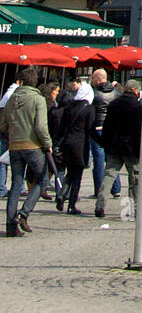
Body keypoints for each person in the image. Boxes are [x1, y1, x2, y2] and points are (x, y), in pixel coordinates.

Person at [1, 66, 52, 236]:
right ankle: (24, 213)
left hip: (15, 146)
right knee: (42, 180)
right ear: (35, 81)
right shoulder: (38, 99)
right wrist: (47, 143)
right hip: (33, 146)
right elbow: (40, 126)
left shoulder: (11, 99)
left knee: (16, 184)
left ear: (21, 81)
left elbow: (3, 125)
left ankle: (10, 224)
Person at [96, 80, 142, 217]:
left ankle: (100, 205)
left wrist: (105, 144)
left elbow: (107, 128)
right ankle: (134, 208)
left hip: (115, 147)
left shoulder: (113, 105)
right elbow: (141, 131)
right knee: (134, 178)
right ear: (135, 90)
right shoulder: (139, 106)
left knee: (109, 175)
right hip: (132, 148)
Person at [56, 80, 95, 216]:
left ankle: (61, 194)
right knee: (77, 175)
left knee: (69, 172)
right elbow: (90, 128)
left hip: (67, 142)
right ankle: (71, 205)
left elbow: (62, 126)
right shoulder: (89, 109)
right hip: (80, 143)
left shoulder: (69, 107)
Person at [90, 69, 123, 201]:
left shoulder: (94, 93)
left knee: (98, 159)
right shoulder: (116, 92)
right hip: (112, 128)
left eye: (93, 77)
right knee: (112, 160)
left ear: (98, 79)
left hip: (98, 127)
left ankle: (99, 189)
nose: (91, 80)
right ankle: (116, 189)